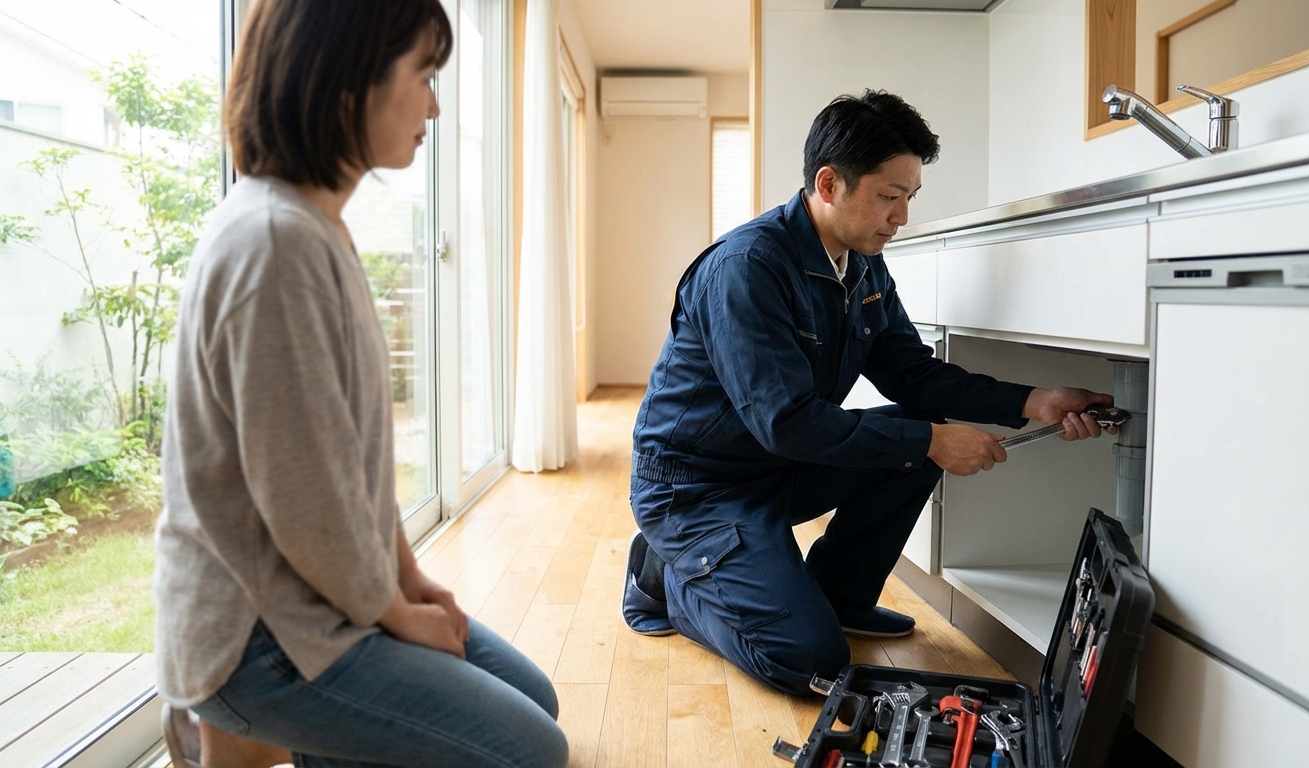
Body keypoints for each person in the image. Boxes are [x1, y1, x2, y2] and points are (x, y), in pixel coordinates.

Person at [153, 1, 568, 766]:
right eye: (424, 76)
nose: (435, 106)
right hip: (260, 634)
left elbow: (351, 465)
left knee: (532, 702)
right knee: (529, 752)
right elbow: (304, 496)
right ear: (349, 85)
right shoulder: (275, 246)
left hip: (313, 593)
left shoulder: (316, 228)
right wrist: (393, 614)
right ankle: (263, 728)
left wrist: (409, 578)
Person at [622, 90, 1116, 696]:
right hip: (697, 490)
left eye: (909, 197)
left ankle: (839, 596)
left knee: (920, 424)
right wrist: (932, 440)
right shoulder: (745, 269)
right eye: (889, 196)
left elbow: (915, 375)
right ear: (829, 185)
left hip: (777, 468)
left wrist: (1033, 400)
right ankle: (665, 580)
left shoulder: (860, 265)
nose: (902, 216)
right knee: (813, 663)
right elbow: (787, 422)